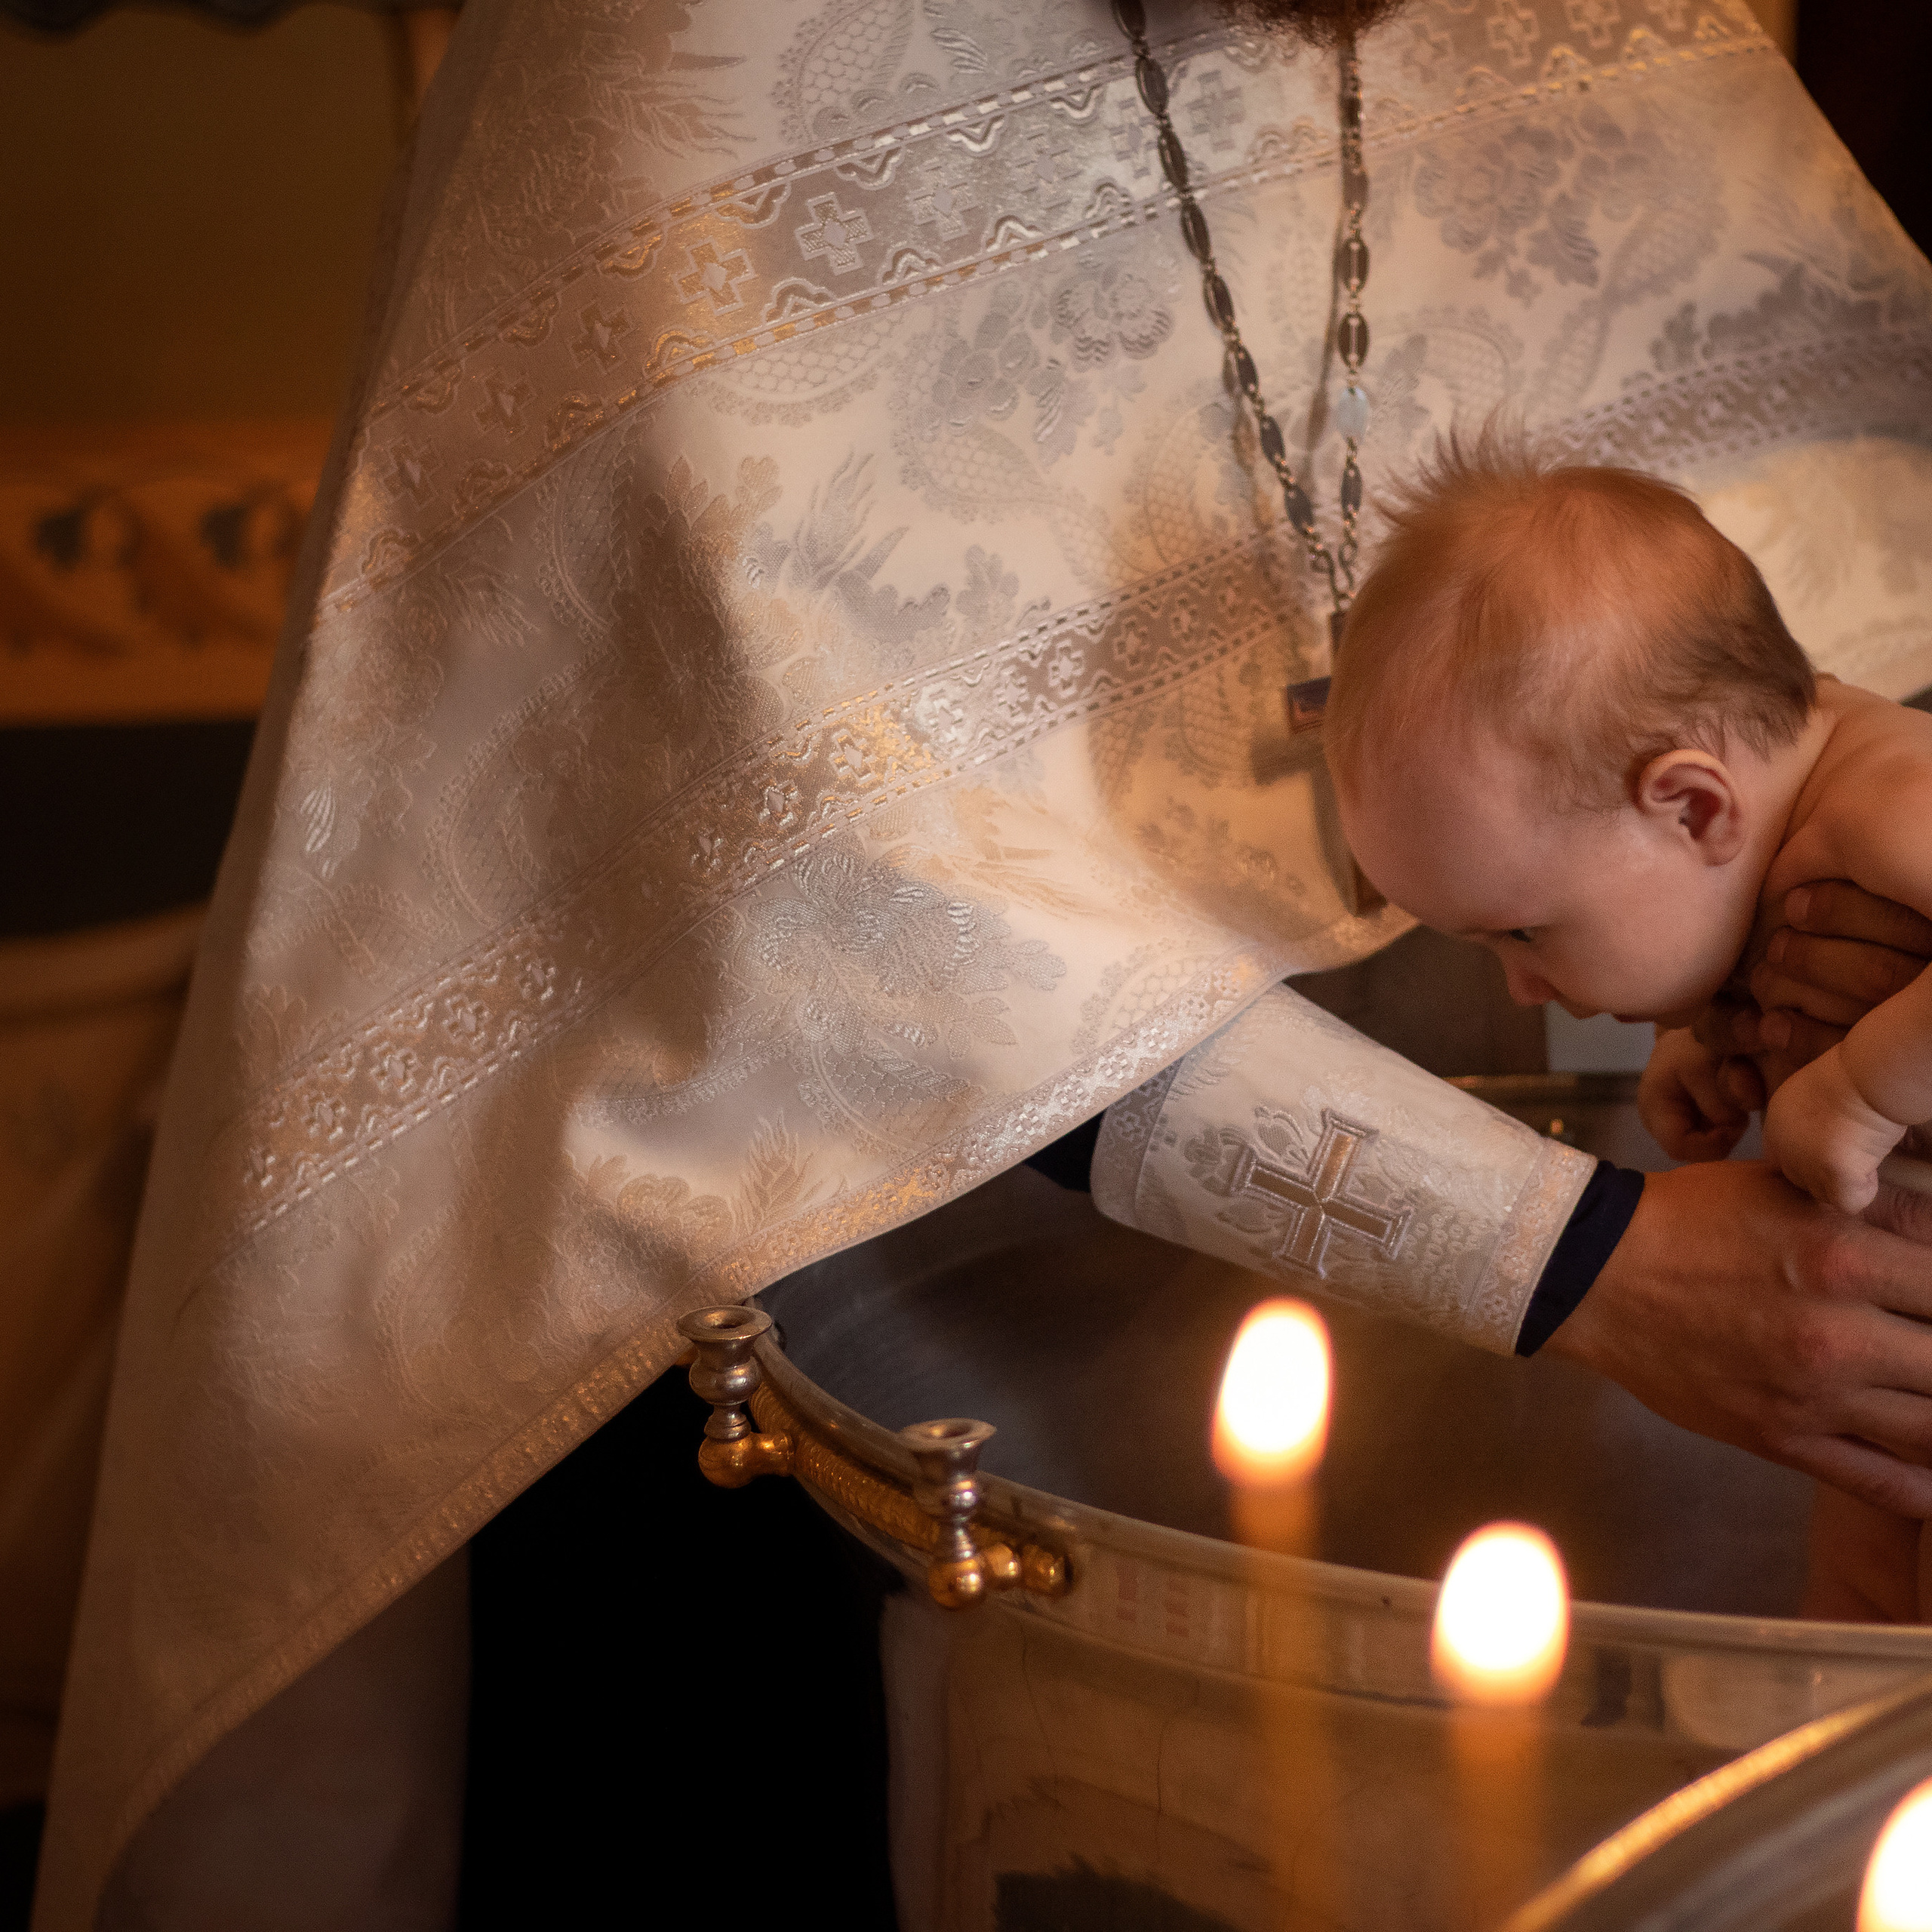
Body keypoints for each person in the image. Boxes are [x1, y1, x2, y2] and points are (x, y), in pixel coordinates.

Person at [30, 1, 1932, 1925]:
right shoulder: (687, 53)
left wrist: (1792, 984)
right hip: (873, 1347)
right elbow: (827, 898)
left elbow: (1825, 539)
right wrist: (1574, 1251)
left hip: (1676, 1348)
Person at [1323, 433, 1932, 1617]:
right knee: (1862, 1583)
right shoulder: (1766, 833)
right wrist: (1711, 1032)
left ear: (1693, 807)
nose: (1521, 987)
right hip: (1903, 1333)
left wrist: (1858, 1088)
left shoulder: (1895, 803)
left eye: (1524, 932)